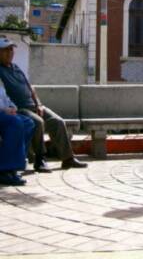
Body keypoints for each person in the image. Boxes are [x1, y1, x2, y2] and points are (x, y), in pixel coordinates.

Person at [0, 37, 87, 172]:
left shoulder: (16, 68)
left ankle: (68, 159)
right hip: (19, 109)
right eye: (6, 50)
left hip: (34, 106)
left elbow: (30, 87)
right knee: (38, 122)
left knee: (58, 121)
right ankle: (40, 159)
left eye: (11, 49)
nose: (10, 52)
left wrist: (39, 104)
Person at [0, 79, 34, 186]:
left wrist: (12, 107)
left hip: (4, 113)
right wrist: (4, 109)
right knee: (15, 122)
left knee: (28, 123)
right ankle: (5, 169)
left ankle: (14, 166)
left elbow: (6, 99)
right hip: (1, 113)